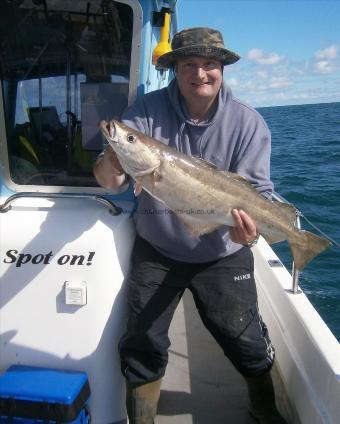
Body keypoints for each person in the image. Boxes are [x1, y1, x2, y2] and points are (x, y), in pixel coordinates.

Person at [94, 27, 287, 424]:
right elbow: (108, 181)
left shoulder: (248, 123)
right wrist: (119, 150)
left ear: (221, 70)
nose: (200, 74)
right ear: (175, 71)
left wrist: (248, 231)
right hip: (159, 248)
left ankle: (264, 409)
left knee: (243, 337)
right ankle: (143, 417)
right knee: (143, 339)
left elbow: (259, 192)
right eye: (189, 65)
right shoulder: (144, 112)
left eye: (209, 65)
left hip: (222, 251)